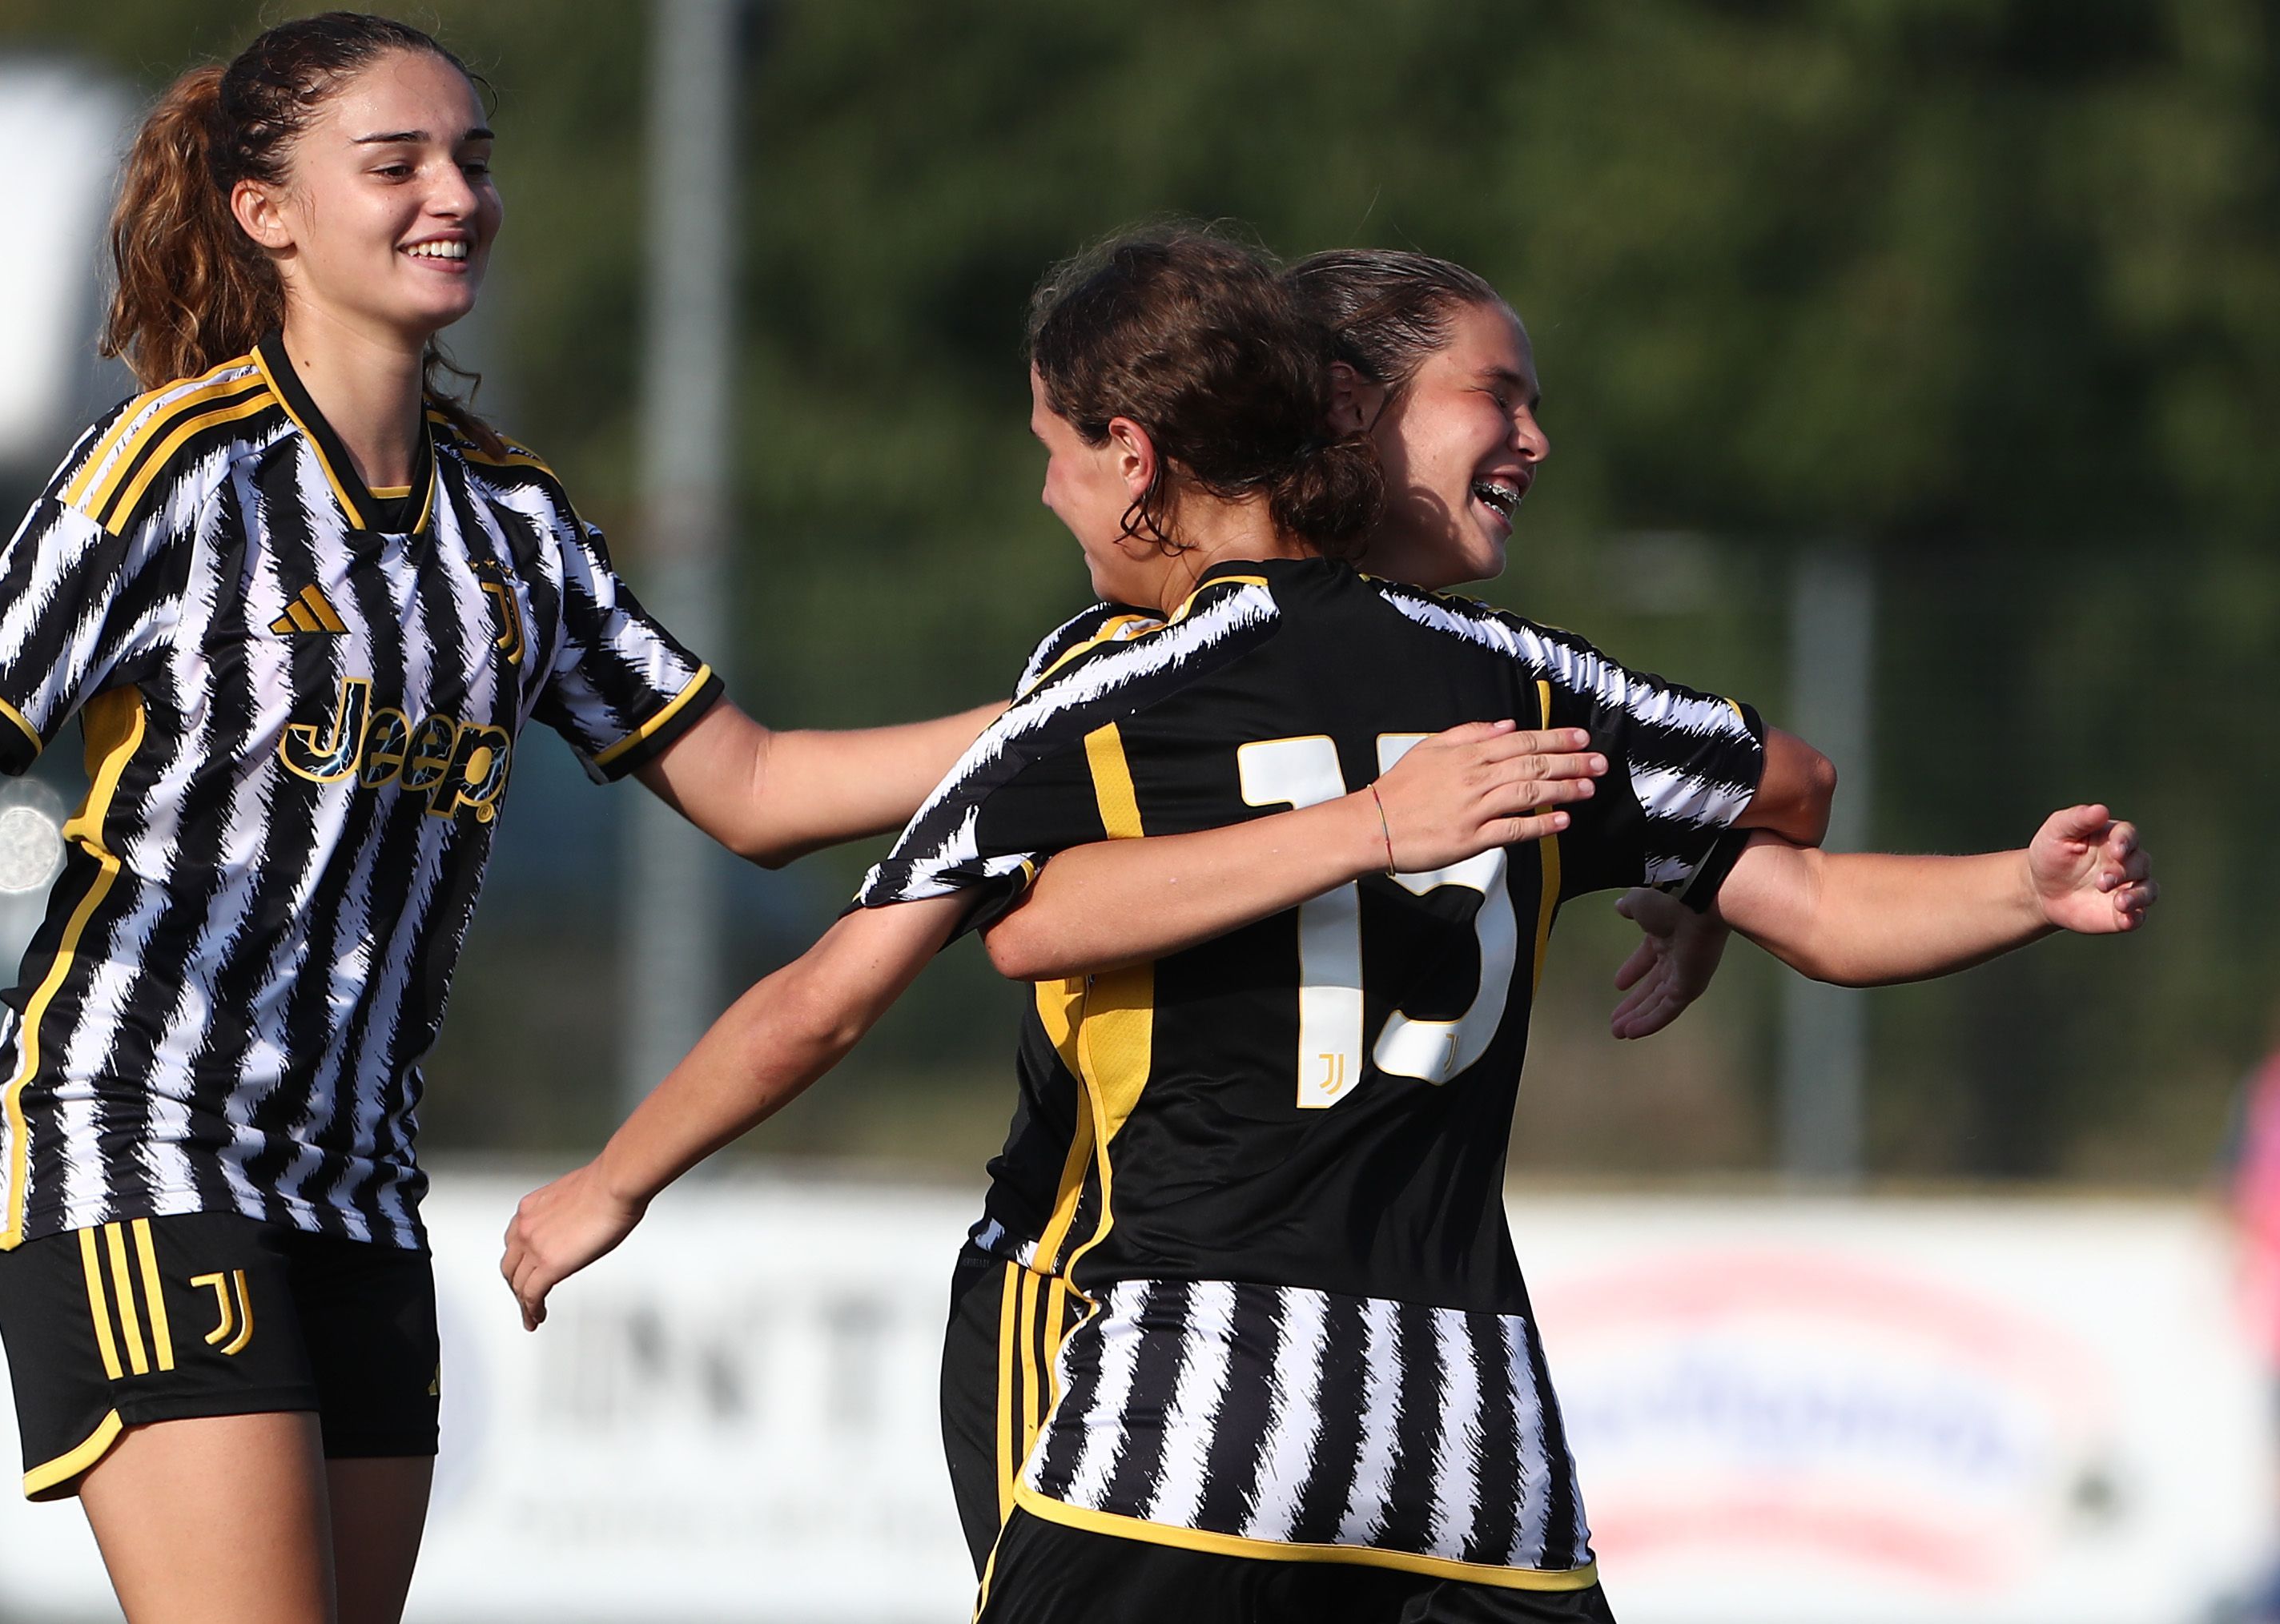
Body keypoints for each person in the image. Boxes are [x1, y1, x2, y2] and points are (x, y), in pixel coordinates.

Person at [499, 231, 2152, 1622]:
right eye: (1501, 397)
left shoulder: (1112, 690)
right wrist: (2006, 886)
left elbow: (922, 960)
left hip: (1173, 1353)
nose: (1533, 439)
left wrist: (608, 1181)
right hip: (1475, 1413)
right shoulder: (1530, 702)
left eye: (1053, 449)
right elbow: (1801, 822)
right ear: (1348, 417)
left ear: (1143, 457)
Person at [0, 14, 1031, 1623]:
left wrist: (1066, 715)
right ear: (267, 211)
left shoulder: (514, 522)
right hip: (137, 1146)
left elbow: (755, 790)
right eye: (395, 164)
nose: (453, 195)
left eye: (471, 159)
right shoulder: (173, 468)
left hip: (357, 1187)